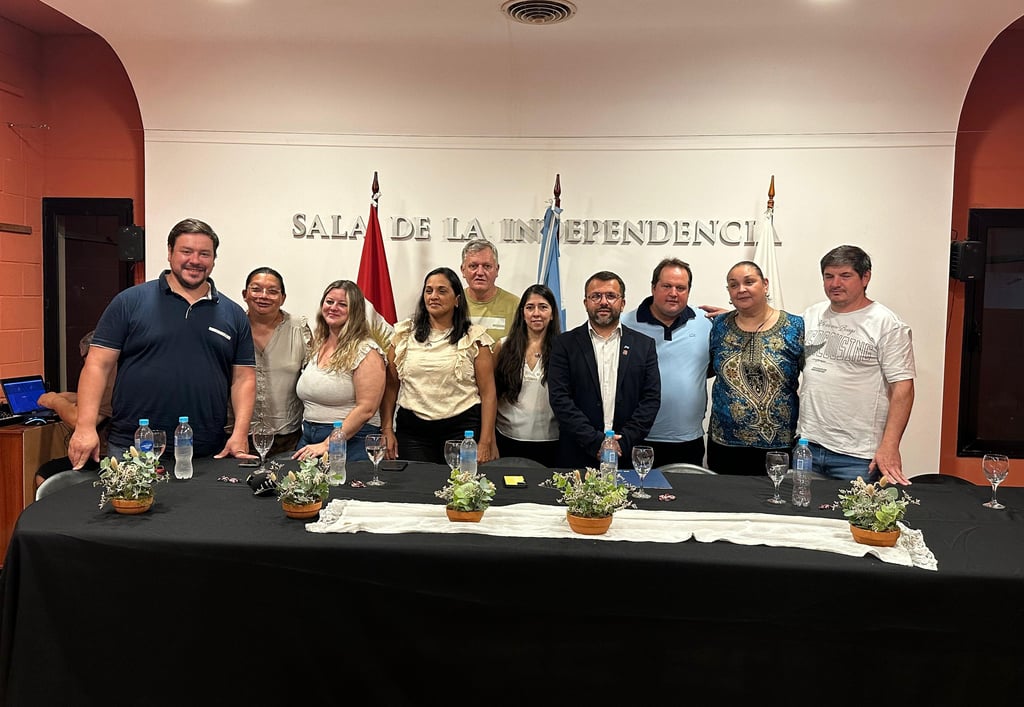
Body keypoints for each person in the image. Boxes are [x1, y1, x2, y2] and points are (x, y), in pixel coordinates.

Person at [68, 217, 256, 468]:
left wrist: (240, 433)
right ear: (169, 253)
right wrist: (85, 426)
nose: (195, 260)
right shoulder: (129, 302)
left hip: (207, 448)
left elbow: (244, 378)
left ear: (213, 259)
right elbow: (97, 365)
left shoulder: (233, 314)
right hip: (134, 446)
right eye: (186, 251)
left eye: (204, 254)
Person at [799, 245, 916, 485]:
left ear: (865, 277)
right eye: (829, 276)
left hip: (858, 456)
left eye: (845, 276)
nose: (835, 283)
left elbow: (903, 388)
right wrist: (740, 316)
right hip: (807, 445)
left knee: (855, 511)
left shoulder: (887, 324)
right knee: (802, 508)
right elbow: (776, 335)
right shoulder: (811, 315)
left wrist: (890, 446)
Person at [380, 266, 497, 464]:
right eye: (429, 291)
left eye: (442, 291)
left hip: (462, 430)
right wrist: (387, 429)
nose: (433, 296)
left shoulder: (474, 338)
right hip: (413, 432)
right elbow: (391, 387)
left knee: (459, 483)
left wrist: (485, 441)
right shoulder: (403, 335)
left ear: (457, 299)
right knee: (416, 483)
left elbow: (489, 394)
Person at [548, 271, 661, 470]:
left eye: (611, 296)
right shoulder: (564, 344)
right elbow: (560, 399)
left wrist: (622, 442)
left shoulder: (644, 346)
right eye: (596, 296)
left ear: (622, 303)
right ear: (585, 303)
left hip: (626, 454)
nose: (603, 302)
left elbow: (650, 399)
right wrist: (596, 442)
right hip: (577, 454)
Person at [707, 261, 804, 474]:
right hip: (724, 445)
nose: (741, 289)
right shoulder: (719, 326)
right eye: (734, 285)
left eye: (749, 282)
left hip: (778, 448)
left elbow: (814, 379)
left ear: (765, 284)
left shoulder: (796, 327)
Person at [621, 258, 712, 467]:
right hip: (636, 438)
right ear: (653, 287)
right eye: (666, 286)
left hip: (688, 440)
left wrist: (734, 316)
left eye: (681, 288)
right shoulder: (625, 324)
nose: (673, 293)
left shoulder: (706, 322)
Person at [292, 280, 386, 463]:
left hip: (351, 441)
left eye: (342, 304)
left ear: (355, 311)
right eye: (329, 302)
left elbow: (366, 409)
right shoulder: (319, 344)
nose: (333, 308)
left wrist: (327, 444)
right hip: (310, 437)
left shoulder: (366, 351)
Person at [240, 267, 311, 457]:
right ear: (245, 294)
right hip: (238, 437)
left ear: (283, 298)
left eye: (272, 291)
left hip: (287, 439)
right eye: (256, 289)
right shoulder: (232, 326)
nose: (263, 296)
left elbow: (313, 377)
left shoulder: (299, 329)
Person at [33, 331, 114, 488]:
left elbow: (76, 419)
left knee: (46, 474)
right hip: (112, 452)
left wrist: (54, 401)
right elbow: (99, 399)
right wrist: (68, 397)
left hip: (105, 457)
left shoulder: (108, 375)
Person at [492, 285, 561, 467]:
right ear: (522, 313)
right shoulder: (503, 346)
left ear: (552, 314)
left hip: (550, 441)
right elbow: (491, 394)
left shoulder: (564, 349)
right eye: (530, 307)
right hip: (507, 438)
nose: (536, 313)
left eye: (543, 307)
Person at [459, 239, 521, 341]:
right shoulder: (453, 303)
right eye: (473, 266)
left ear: (497, 270)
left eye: (487, 266)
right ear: (463, 270)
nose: (480, 272)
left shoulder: (515, 305)